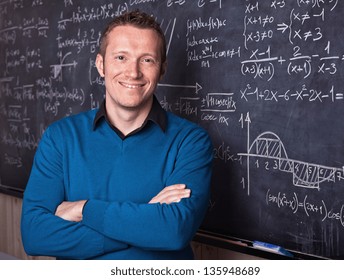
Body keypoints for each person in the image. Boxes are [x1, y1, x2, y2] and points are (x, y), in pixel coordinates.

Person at [21, 10, 213, 260]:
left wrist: (83, 209)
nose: (133, 72)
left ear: (162, 69)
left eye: (147, 60)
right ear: (101, 65)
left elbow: (173, 231)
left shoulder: (191, 142)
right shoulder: (60, 138)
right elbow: (35, 235)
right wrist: (145, 222)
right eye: (121, 57)